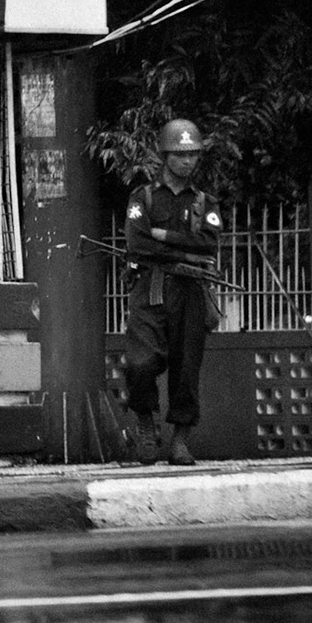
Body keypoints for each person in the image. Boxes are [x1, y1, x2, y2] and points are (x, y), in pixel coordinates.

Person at [122, 118, 223, 467]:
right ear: (164, 156)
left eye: (193, 154)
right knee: (140, 363)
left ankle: (181, 440)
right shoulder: (144, 197)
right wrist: (182, 249)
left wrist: (162, 237)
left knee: (186, 368)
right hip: (150, 287)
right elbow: (137, 241)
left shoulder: (204, 202)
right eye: (180, 155)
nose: (187, 161)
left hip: (191, 290)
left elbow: (209, 245)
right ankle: (146, 426)